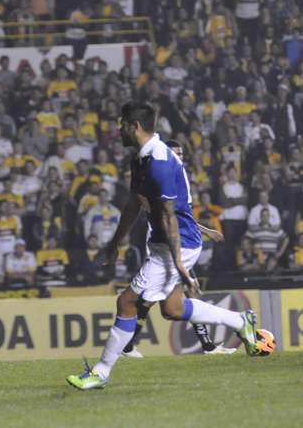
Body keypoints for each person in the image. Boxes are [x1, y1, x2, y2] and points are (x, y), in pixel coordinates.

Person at [67, 103, 262, 391]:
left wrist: (180, 265)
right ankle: (240, 320)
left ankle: (101, 372)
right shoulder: (141, 159)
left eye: (121, 124)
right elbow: (135, 203)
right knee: (172, 308)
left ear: (135, 127)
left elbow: (170, 215)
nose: (117, 129)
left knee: (126, 302)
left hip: (177, 244)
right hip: (168, 243)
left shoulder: (159, 162)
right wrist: (115, 241)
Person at [122, 140, 234, 358]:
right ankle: (127, 345)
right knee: (155, 298)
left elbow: (181, 217)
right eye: (175, 153)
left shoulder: (178, 177)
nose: (179, 156)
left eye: (182, 153)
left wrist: (205, 230)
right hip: (164, 243)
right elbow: (161, 214)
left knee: (169, 297)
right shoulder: (159, 178)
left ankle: (207, 346)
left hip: (178, 240)